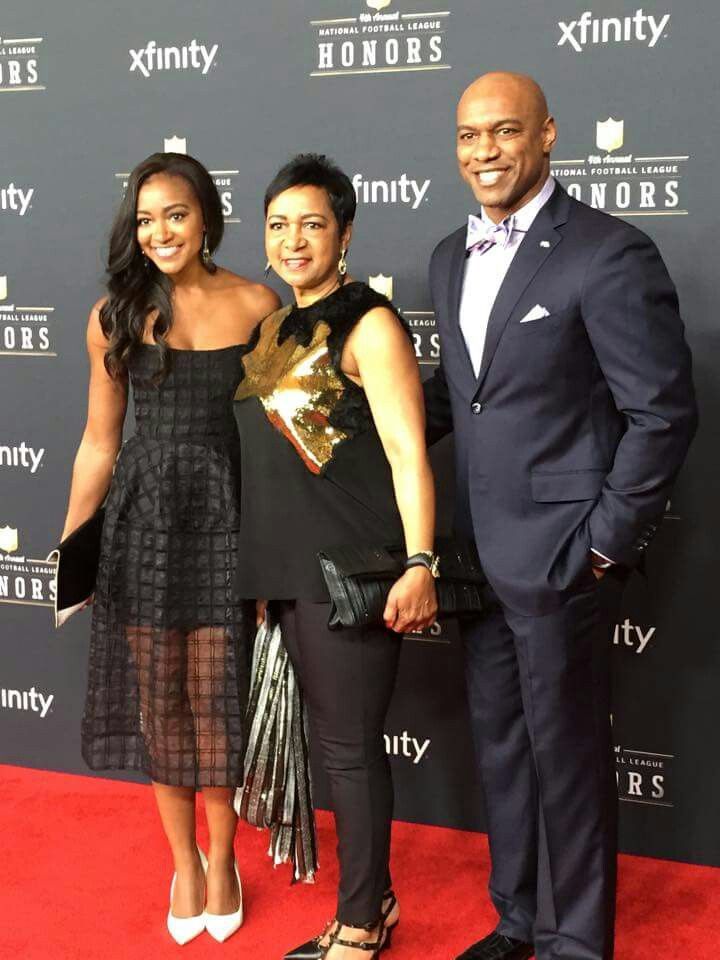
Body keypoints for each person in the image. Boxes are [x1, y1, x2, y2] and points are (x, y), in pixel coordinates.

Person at [423, 73, 697, 960]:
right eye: (470, 136)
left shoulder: (608, 252)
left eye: (504, 132)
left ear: (547, 135)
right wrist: (347, 403)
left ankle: (575, 941)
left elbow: (662, 412)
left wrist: (604, 545)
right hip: (476, 555)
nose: (485, 152)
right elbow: (460, 397)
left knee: (569, 756)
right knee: (502, 748)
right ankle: (515, 922)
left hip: (561, 558)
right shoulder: (446, 257)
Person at [60, 152, 279, 945]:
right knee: (163, 706)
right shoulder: (114, 315)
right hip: (144, 529)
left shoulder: (259, 303)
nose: (160, 232)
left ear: (207, 217)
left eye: (175, 214)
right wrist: (71, 554)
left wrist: (278, 552)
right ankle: (183, 862)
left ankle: (223, 860)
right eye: (145, 219)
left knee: (216, 702)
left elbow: (280, 442)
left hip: (227, 526)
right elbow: (96, 442)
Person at [233, 153, 438, 960]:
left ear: (345, 234)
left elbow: (405, 449)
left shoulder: (370, 322)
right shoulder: (274, 329)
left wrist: (419, 561)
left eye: (312, 224)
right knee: (331, 750)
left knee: (349, 753)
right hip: (284, 574)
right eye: (279, 225)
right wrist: (260, 578)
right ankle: (371, 900)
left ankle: (362, 922)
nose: (293, 240)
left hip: (350, 572)